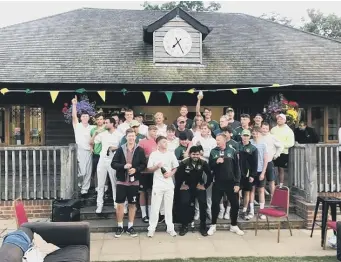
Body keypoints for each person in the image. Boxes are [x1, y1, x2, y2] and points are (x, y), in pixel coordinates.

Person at [111, 128, 147, 238]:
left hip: (134, 181)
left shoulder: (140, 150)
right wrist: (123, 166)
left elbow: (143, 164)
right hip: (122, 181)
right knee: (120, 204)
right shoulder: (120, 149)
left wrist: (135, 169)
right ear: (126, 137)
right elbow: (113, 164)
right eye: (129, 136)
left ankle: (130, 226)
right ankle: (120, 226)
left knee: (132, 204)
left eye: (133, 136)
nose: (131, 138)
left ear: (135, 137)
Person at [207, 133, 244, 236]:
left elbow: (237, 168)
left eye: (219, 140)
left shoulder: (232, 151)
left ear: (224, 140)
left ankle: (234, 225)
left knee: (235, 204)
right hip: (218, 182)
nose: (217, 141)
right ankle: (213, 225)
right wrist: (216, 162)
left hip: (231, 183)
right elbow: (209, 167)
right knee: (215, 204)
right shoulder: (213, 151)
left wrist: (237, 183)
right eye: (216, 140)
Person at [174, 146, 213, 236]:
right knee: (184, 202)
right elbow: (178, 176)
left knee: (203, 203)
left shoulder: (203, 162)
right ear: (190, 154)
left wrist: (205, 186)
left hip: (198, 186)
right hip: (187, 186)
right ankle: (184, 225)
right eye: (193, 154)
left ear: (200, 154)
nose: (195, 156)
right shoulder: (184, 162)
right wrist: (181, 185)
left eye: (197, 154)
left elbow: (210, 176)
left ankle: (203, 226)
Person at [147, 136, 179, 237]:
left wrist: (170, 174)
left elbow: (175, 167)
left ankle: (170, 228)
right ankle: (151, 228)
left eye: (166, 141)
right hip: (158, 184)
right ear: (158, 144)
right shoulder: (154, 154)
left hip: (169, 184)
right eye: (163, 142)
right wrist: (157, 166)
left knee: (168, 207)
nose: (166, 143)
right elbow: (149, 169)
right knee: (155, 207)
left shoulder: (170, 154)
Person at [91, 117, 122, 213]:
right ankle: (99, 205)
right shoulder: (102, 134)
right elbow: (92, 142)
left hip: (114, 160)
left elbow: (123, 147)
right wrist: (96, 133)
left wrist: (115, 148)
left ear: (112, 124)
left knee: (114, 182)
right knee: (100, 183)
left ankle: (116, 203)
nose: (105, 124)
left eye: (107, 122)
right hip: (102, 159)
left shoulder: (119, 134)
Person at [192, 122, 217, 220]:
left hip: (209, 168)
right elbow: (195, 153)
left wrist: (203, 154)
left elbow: (213, 154)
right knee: (198, 189)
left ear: (208, 130)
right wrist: (201, 154)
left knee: (208, 190)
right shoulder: (196, 139)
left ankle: (208, 210)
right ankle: (197, 211)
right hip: (198, 167)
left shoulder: (213, 141)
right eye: (201, 128)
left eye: (205, 128)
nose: (203, 130)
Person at [72, 95, 94, 195]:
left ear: (89, 118)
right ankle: (80, 183)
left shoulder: (91, 127)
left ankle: (85, 188)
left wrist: (92, 147)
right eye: (83, 116)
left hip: (89, 151)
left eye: (86, 116)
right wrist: (74, 105)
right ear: (81, 118)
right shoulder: (77, 125)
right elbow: (73, 116)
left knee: (88, 172)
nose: (85, 117)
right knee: (82, 172)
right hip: (80, 150)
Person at [138, 125, 158, 223]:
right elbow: (139, 156)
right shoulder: (142, 142)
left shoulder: (157, 141)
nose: (155, 133)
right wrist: (149, 156)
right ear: (149, 131)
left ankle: (150, 213)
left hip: (153, 171)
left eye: (156, 131)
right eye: (153, 131)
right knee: (142, 192)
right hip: (143, 171)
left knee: (150, 192)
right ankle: (143, 214)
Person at [238, 129, 258, 220]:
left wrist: (252, 175)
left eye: (247, 135)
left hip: (247, 174)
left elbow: (255, 163)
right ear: (241, 136)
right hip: (237, 173)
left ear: (249, 136)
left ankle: (244, 210)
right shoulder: (237, 146)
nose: (245, 137)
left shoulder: (253, 148)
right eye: (243, 135)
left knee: (247, 192)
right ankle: (236, 209)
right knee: (236, 192)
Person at [271, 114, 295, 187]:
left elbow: (291, 143)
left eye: (281, 119)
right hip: (273, 152)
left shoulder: (289, 131)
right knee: (272, 168)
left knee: (281, 169)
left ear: (284, 120)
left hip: (283, 152)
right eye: (278, 119)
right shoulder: (273, 129)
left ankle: (281, 185)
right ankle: (273, 184)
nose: (279, 120)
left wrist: (281, 145)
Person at [249, 127, 268, 220]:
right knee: (251, 190)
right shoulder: (250, 143)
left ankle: (262, 211)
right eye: (253, 132)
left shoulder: (264, 144)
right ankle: (251, 211)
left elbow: (265, 159)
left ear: (260, 133)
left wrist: (263, 172)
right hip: (251, 171)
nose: (255, 134)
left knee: (261, 191)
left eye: (257, 132)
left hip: (260, 170)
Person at [261, 122, 283, 196]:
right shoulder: (259, 136)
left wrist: (276, 154)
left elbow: (281, 146)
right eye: (263, 128)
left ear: (269, 129)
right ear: (261, 128)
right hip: (260, 162)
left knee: (271, 181)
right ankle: (262, 200)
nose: (264, 130)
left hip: (269, 161)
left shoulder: (272, 137)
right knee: (261, 180)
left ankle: (273, 198)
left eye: (266, 129)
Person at [90, 113, 106, 190]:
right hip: (96, 153)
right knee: (96, 170)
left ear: (104, 120)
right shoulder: (93, 130)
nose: (99, 121)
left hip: (106, 153)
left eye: (101, 119)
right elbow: (91, 142)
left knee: (106, 170)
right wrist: (95, 134)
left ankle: (106, 187)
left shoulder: (107, 128)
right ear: (96, 121)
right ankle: (97, 187)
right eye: (98, 119)